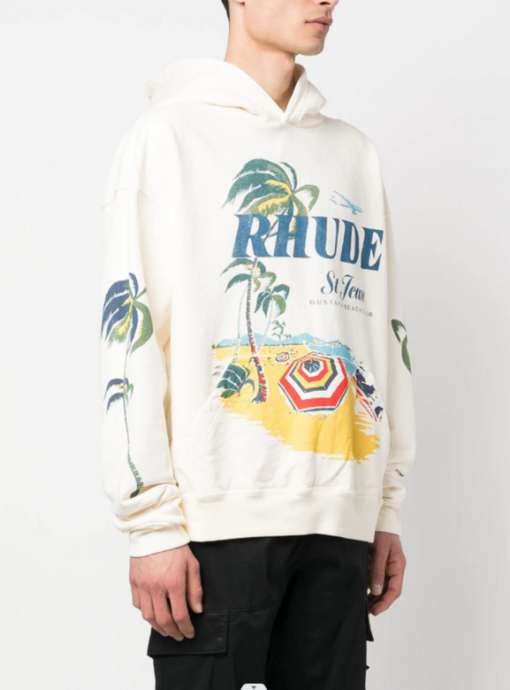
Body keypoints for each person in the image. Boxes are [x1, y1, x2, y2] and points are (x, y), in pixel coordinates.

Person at [99, 1, 417, 688]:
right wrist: (151, 525)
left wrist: (382, 507)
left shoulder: (353, 153)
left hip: (341, 523)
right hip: (216, 523)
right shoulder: (167, 138)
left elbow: (383, 330)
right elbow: (130, 333)